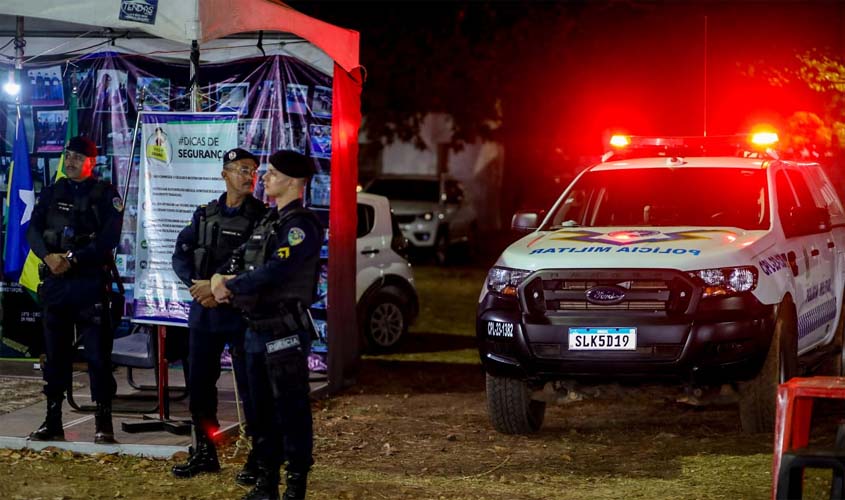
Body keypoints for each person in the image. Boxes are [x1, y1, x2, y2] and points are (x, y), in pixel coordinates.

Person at [212, 150, 321, 500]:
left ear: (292, 181)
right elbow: (243, 258)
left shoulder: (301, 226)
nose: (265, 177)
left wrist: (230, 284)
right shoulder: (268, 222)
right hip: (256, 329)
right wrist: (219, 277)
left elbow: (276, 269)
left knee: (290, 411)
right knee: (259, 412)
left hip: (284, 332)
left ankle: (295, 485)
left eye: (272, 173)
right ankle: (266, 483)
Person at [170, 148, 266, 483]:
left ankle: (258, 456)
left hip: (241, 315)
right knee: (199, 385)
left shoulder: (262, 217)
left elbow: (255, 264)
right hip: (205, 314)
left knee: (251, 387)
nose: (248, 176)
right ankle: (205, 451)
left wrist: (218, 290)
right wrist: (197, 287)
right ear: (224, 173)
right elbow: (180, 254)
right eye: (242, 169)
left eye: (253, 170)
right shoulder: (204, 215)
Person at [26, 136, 124, 444]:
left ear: (90, 162)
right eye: (67, 155)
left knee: (97, 356)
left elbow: (109, 239)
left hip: (89, 284)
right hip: (56, 283)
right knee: (55, 356)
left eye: (76, 157)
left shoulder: (105, 194)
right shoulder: (53, 192)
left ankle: (103, 422)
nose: (69, 161)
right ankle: (52, 421)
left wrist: (74, 258)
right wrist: (48, 256)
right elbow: (32, 229)